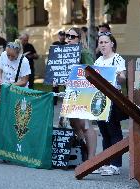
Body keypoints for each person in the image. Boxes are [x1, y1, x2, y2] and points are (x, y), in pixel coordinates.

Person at [93, 31, 126, 176]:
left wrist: (119, 76)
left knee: (114, 131)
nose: (103, 45)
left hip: (113, 99)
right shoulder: (98, 61)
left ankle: (115, 165)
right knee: (104, 132)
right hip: (99, 100)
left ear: (112, 44)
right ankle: (106, 162)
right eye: (101, 42)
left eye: (106, 42)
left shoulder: (117, 59)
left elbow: (123, 79)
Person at [61, 27, 96, 160]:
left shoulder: (84, 52)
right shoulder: (63, 52)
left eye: (72, 36)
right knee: (75, 124)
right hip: (70, 93)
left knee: (85, 125)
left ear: (79, 39)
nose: (68, 39)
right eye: (67, 36)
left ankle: (92, 158)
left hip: (83, 92)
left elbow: (92, 73)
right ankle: (85, 151)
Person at [52, 31, 68, 105]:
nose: (62, 37)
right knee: (55, 86)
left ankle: (67, 101)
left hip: (65, 68)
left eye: (63, 35)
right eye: (61, 35)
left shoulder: (67, 45)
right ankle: (54, 101)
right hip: (57, 68)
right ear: (58, 36)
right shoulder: (54, 44)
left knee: (66, 85)